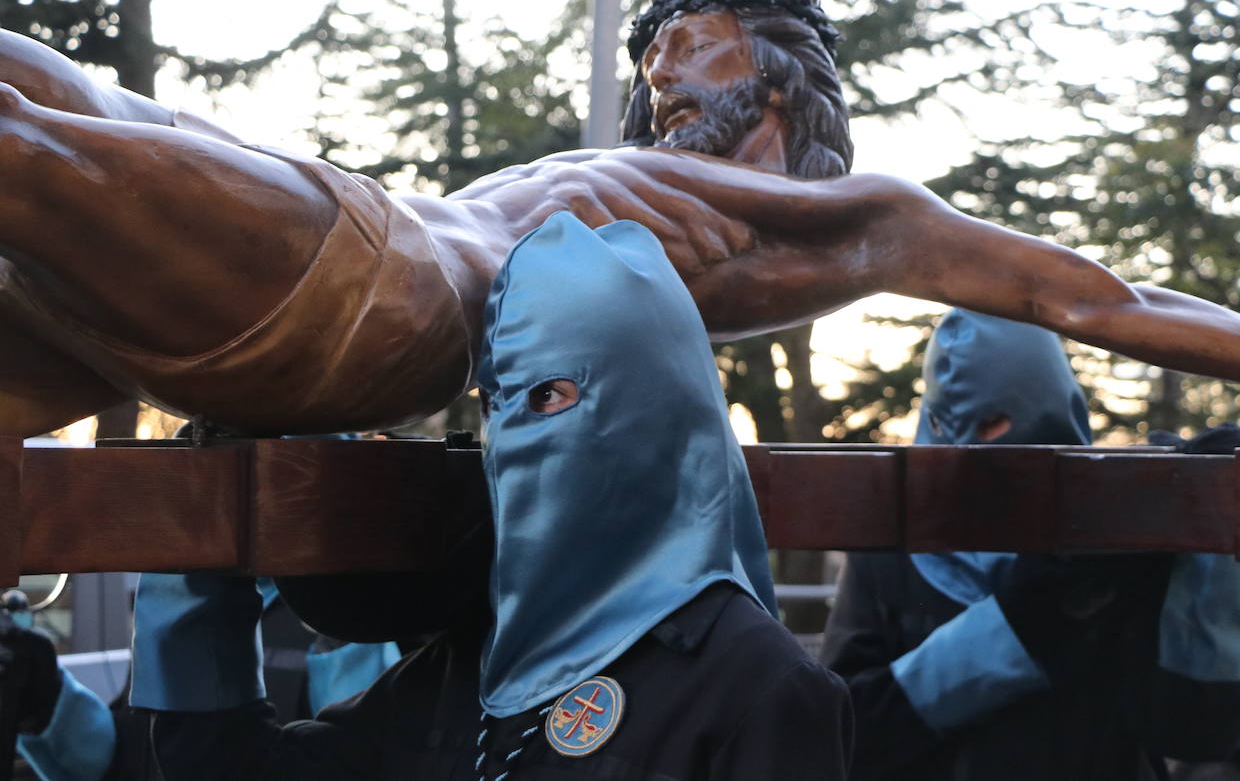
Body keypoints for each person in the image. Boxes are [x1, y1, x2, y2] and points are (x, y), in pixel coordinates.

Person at [0, 0, 1240, 440]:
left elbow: (1110, 301)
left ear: (778, 72)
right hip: (354, 220)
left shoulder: (850, 217)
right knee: (30, 72)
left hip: (378, 295)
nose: (659, 78)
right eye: (651, 65)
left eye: (690, 51)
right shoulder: (655, 178)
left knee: (16, 142)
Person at [115, 212, 852, 779]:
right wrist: (203, 533)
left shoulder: (760, 688)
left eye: (550, 395)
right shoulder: (475, 665)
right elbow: (237, 769)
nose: (517, 434)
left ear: (654, 407)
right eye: (498, 404)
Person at [820, 310, 1240, 780]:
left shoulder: (1119, 541)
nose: (973, 443)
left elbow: (1196, 731)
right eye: (944, 424)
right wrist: (1017, 628)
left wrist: (1215, 537)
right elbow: (844, 735)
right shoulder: (890, 552)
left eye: (996, 418)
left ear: (1051, 409)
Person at [2, 578, 403, 781]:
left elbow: (362, 756)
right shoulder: (178, 594)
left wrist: (346, 631)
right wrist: (49, 704)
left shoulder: (340, 601)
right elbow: (130, 751)